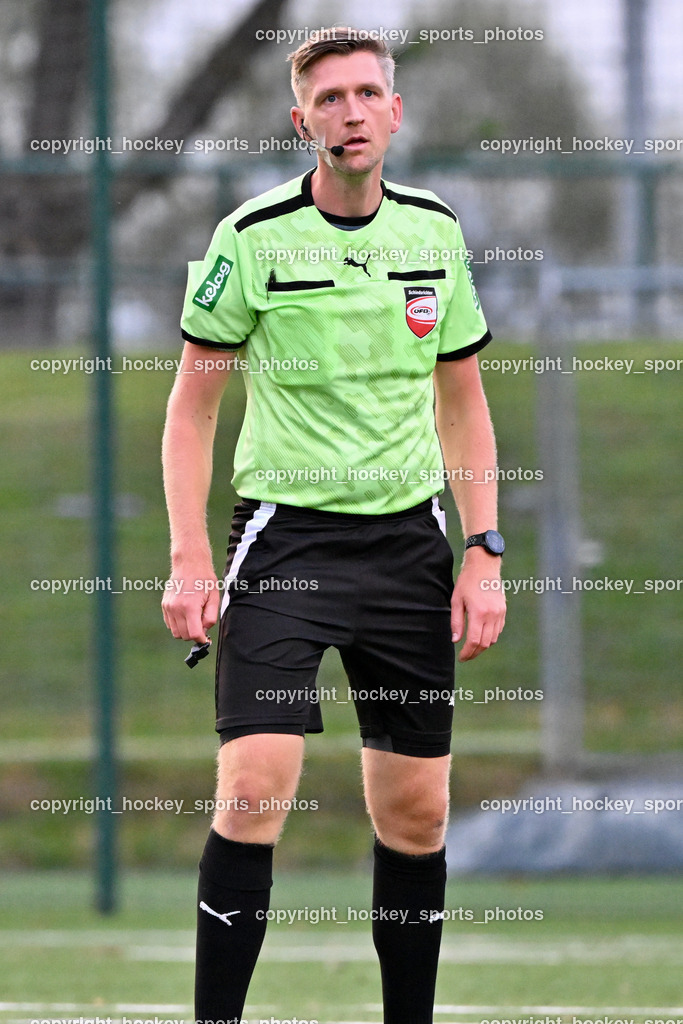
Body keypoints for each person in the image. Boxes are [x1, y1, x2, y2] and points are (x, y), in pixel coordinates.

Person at [161, 27, 506, 1024]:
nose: (348, 112)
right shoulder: (250, 237)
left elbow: (462, 403)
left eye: (364, 94)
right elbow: (190, 411)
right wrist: (189, 556)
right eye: (327, 98)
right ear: (300, 120)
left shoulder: (433, 232)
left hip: (407, 548)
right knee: (253, 785)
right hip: (286, 543)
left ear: (394, 112)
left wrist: (482, 551)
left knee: (416, 812)